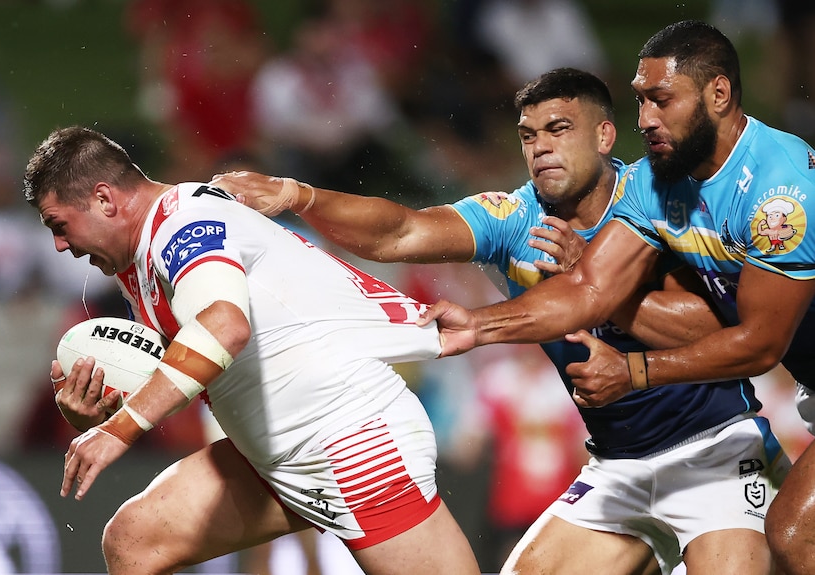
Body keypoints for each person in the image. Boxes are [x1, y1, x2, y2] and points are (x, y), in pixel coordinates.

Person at [212, 67, 790, 575]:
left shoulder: (665, 198)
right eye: (528, 135)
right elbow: (402, 230)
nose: (541, 148)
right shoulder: (514, 218)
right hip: (617, 465)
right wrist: (299, 195)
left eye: (559, 130)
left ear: (604, 134)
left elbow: (722, 332)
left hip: (715, 451)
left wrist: (594, 287)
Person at [402, 21, 814, 575]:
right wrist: (478, 325)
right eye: (640, 101)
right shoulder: (656, 182)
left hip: (724, 440)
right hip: (657, 452)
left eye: (661, 100)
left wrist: (635, 371)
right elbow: (590, 289)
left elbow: (760, 346)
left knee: (794, 540)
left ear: (718, 94)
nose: (644, 120)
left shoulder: (777, 193)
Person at [22, 126, 481, 575]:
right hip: (273, 450)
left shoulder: (181, 227)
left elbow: (223, 327)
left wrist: (117, 430)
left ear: (104, 199)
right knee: (134, 540)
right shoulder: (146, 251)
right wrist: (103, 409)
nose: (60, 245)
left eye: (59, 225)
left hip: (348, 437)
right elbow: (189, 361)